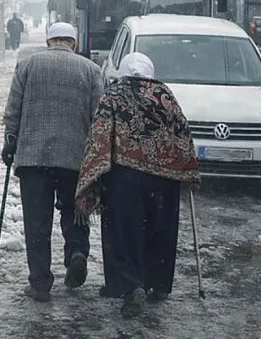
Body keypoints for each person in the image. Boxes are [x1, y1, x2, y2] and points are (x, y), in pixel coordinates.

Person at [74, 52, 200, 318]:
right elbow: (183, 133)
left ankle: (129, 285)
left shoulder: (114, 93)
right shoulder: (165, 95)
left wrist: (93, 171)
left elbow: (99, 133)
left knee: (125, 231)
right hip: (164, 179)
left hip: (125, 177)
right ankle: (158, 282)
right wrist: (187, 170)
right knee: (160, 229)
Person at [1, 21, 103, 302]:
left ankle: (40, 283)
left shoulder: (27, 66)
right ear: (74, 42)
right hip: (75, 158)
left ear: (48, 41)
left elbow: (13, 110)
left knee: (37, 221)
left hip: (34, 157)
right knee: (76, 211)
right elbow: (99, 118)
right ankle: (77, 253)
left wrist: (10, 140)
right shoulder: (91, 70)